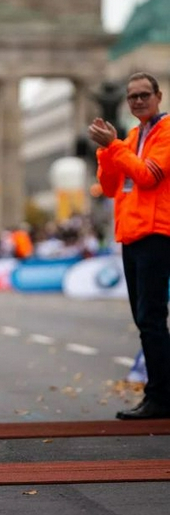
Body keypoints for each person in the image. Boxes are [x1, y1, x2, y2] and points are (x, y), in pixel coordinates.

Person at [88, 71, 170, 419]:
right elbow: (110, 187)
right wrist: (107, 150)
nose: (137, 101)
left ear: (158, 97)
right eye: (132, 96)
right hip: (132, 234)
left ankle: (161, 397)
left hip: (157, 233)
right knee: (144, 319)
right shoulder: (133, 136)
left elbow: (148, 176)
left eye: (143, 95)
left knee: (151, 318)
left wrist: (115, 146)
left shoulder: (166, 132)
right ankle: (161, 393)